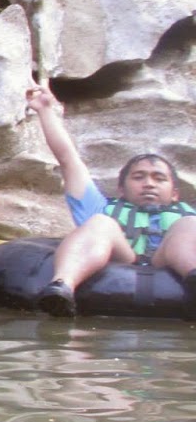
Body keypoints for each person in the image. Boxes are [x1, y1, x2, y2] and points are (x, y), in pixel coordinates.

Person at [23, 83, 196, 312]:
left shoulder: (187, 215)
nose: (149, 183)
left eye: (158, 178)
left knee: (189, 224)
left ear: (175, 193)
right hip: (122, 256)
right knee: (100, 222)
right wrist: (45, 110)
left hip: (169, 256)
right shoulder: (101, 208)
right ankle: (61, 286)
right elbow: (68, 160)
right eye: (139, 177)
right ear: (121, 190)